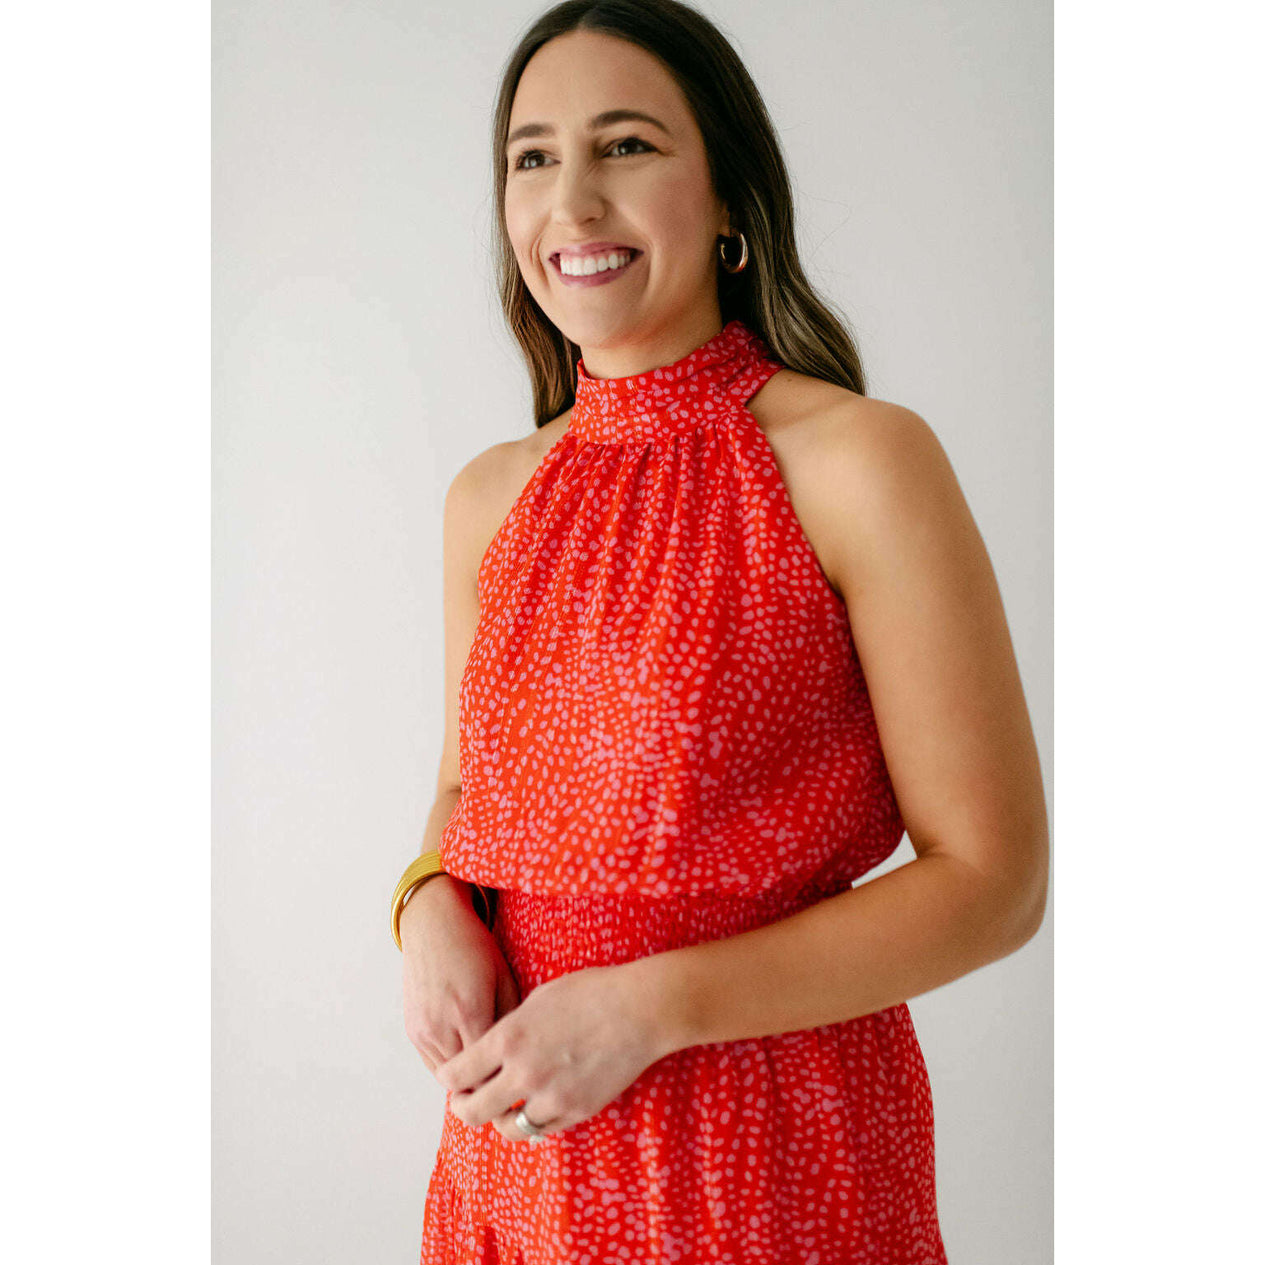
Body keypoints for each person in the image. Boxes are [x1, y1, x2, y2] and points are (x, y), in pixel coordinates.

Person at [392, 2, 1048, 1261]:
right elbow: (469, 793)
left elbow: (992, 881)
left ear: (731, 198)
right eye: (532, 158)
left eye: (624, 145)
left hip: (771, 1162)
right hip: (518, 1162)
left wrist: (647, 1009)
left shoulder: (857, 463)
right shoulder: (489, 499)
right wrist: (425, 907)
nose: (570, 200)